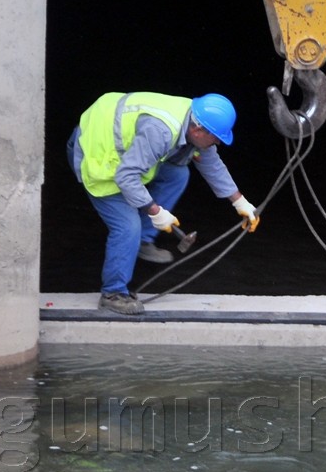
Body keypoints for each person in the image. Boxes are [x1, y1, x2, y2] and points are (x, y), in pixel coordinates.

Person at [67, 92, 259, 315]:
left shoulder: (194, 116)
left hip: (125, 149)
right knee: (128, 226)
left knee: (177, 175)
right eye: (216, 137)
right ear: (197, 131)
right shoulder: (160, 131)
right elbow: (126, 177)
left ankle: (141, 242)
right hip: (95, 152)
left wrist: (240, 202)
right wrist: (155, 212)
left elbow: (210, 161)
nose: (217, 142)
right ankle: (113, 293)